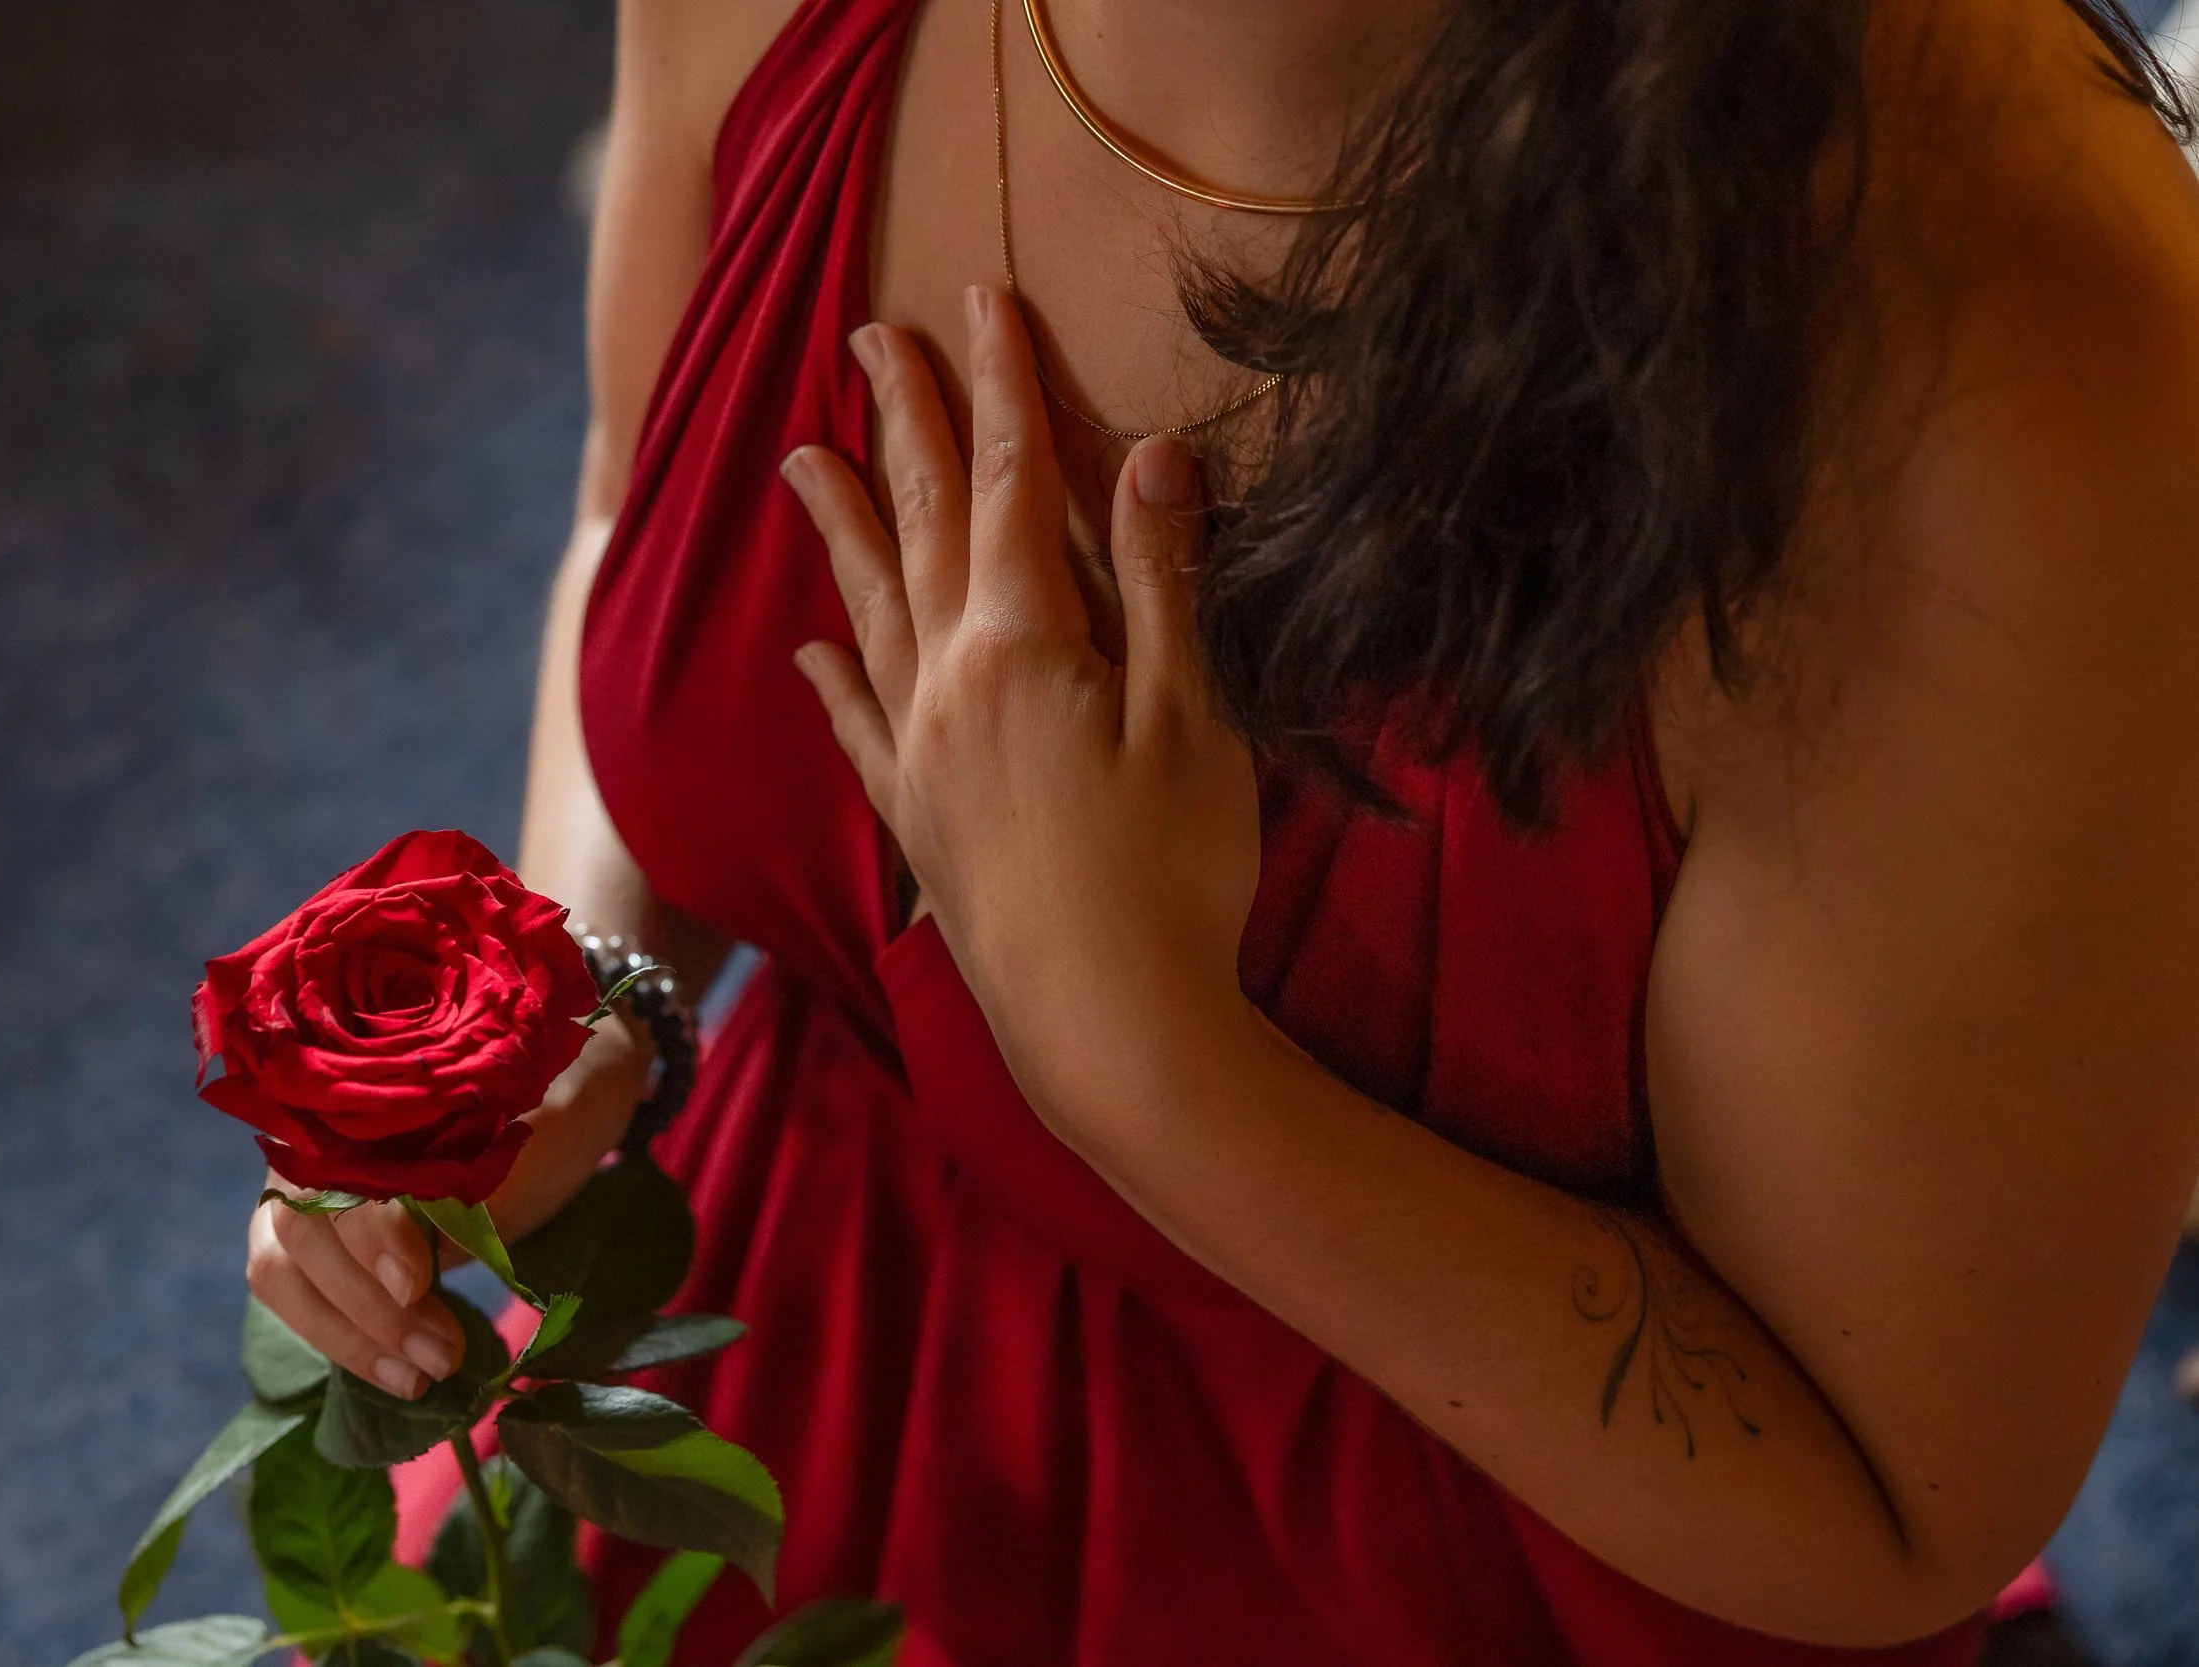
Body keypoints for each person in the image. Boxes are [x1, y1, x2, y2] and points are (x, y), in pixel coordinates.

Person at [241, 0, 2199, 1659]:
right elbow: (630, 499)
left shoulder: (1993, 345)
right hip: (801, 1344)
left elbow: (1884, 1503)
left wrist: (1154, 1076)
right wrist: (591, 996)